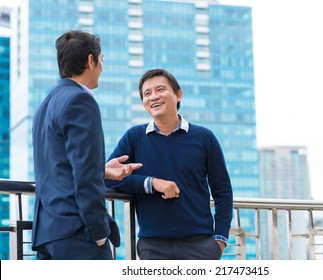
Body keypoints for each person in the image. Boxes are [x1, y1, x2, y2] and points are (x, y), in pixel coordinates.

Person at [32, 30, 141, 260]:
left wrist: (100, 169)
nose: (102, 66)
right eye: (101, 59)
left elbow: (58, 166)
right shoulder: (80, 100)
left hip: (48, 232)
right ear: (90, 60)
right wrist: (98, 232)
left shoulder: (46, 104)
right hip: (77, 233)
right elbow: (84, 175)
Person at [105, 68, 233, 260]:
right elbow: (107, 178)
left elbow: (222, 190)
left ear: (178, 95)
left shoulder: (205, 138)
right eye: (147, 93)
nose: (153, 97)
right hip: (152, 247)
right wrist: (151, 183)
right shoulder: (134, 137)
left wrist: (220, 240)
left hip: (200, 246)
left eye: (160, 90)